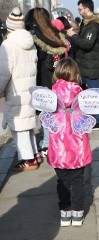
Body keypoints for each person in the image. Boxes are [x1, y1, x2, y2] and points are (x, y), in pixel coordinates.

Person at [45, 58, 92, 227]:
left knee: (62, 181)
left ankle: (65, 213)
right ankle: (78, 213)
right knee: (78, 180)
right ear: (76, 75)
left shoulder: (51, 94)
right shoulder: (81, 94)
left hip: (59, 147)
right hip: (77, 144)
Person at [0, 7, 39, 171]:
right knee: (28, 124)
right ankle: (34, 154)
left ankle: (28, 159)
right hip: (29, 88)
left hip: (15, 90)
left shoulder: (7, 44)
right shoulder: (30, 42)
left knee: (19, 127)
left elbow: (3, 72)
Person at [25, 7, 67, 157]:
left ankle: (46, 144)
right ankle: (57, 142)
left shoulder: (35, 36)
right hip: (58, 78)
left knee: (46, 113)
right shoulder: (55, 34)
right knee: (56, 112)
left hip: (43, 78)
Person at [67, 0, 99, 130]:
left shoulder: (93, 26)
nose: (79, 11)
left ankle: (96, 121)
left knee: (93, 94)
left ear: (87, 9)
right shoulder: (86, 24)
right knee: (84, 94)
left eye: (80, 9)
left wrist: (74, 36)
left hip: (91, 66)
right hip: (84, 65)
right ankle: (87, 118)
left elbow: (87, 44)